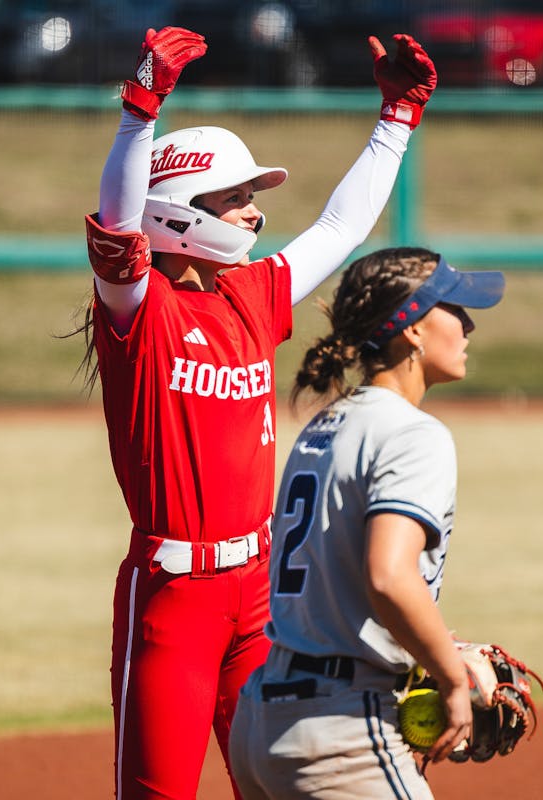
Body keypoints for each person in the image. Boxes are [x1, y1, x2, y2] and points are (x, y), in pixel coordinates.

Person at [79, 24, 437, 800]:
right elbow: (116, 226)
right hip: (173, 599)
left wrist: (396, 120)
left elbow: (341, 229)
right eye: (235, 197)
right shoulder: (140, 313)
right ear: (178, 212)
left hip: (260, 594)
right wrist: (139, 114)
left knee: (282, 788)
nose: (252, 213)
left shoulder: (251, 294)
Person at [228, 247, 506, 799]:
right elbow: (388, 576)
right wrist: (451, 675)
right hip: (340, 735)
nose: (469, 325)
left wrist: (425, 646)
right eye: (455, 308)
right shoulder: (412, 434)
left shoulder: (325, 426)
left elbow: (341, 584)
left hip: (263, 720)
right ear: (415, 331)